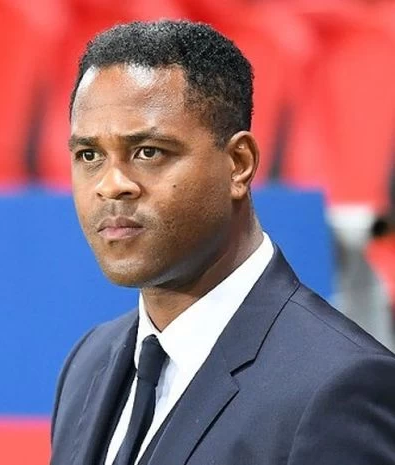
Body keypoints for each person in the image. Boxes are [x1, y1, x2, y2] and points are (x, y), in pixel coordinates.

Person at [50, 20, 395, 465]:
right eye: (89, 155)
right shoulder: (87, 363)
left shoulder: (340, 385)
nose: (111, 184)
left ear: (239, 163)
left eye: (148, 152)